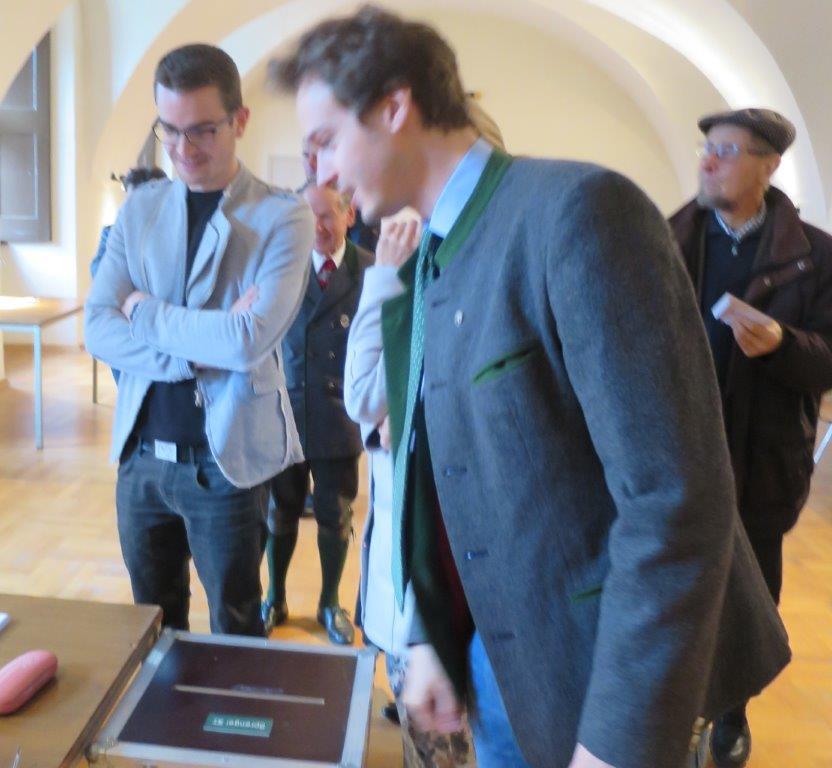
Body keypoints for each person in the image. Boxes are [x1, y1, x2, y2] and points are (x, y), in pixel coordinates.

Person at [271, 7, 790, 768]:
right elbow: (448, 462)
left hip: (598, 680)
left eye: (324, 141)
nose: (319, 173)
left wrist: (615, 743)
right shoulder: (435, 249)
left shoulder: (579, 211)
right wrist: (436, 634)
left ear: (394, 107)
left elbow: (675, 501)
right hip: (499, 665)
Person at [85, 43, 312, 636]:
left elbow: (246, 342)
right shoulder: (140, 208)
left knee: (235, 626)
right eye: (169, 130)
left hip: (225, 462)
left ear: (240, 120)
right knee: (153, 628)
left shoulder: (283, 217)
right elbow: (97, 326)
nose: (183, 149)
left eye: (203, 130)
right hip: (140, 459)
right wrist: (198, 350)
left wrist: (142, 309)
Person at [669, 107, 832, 767]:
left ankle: (733, 710)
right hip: (679, 451)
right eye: (706, 148)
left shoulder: (816, 255)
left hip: (764, 456)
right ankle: (679, 707)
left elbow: (828, 360)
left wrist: (782, 344)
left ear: (769, 166)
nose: (709, 161)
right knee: (677, 585)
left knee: (752, 589)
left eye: (728, 151)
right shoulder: (669, 238)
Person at [346, 214, 477, 767]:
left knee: (453, 749)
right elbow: (365, 400)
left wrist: (382, 277)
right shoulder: (416, 275)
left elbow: (364, 393)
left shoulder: (462, 277)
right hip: (408, 576)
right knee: (428, 747)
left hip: (454, 580)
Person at [262, 183, 373, 645]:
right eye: (309, 216)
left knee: (335, 514)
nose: (317, 227)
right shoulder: (282, 264)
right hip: (285, 413)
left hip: (339, 415)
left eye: (327, 215)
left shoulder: (370, 270)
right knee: (279, 513)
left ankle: (330, 603)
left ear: (349, 216)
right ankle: (275, 597)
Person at [90, 166, 168, 385]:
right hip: (124, 323)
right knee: (127, 386)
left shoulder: (172, 234)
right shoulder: (112, 232)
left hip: (160, 323)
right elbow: (99, 272)